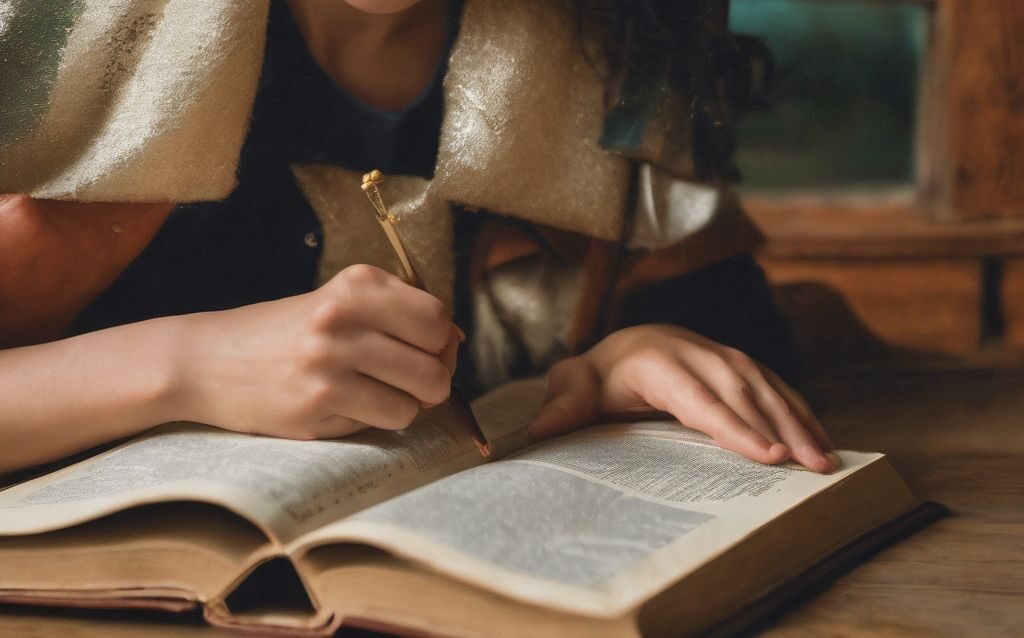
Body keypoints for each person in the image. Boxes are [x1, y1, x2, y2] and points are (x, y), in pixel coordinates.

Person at [0, 0, 834, 476]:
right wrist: (184, 366)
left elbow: (745, 356)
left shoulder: (610, 50)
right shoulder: (55, 45)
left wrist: (630, 353)